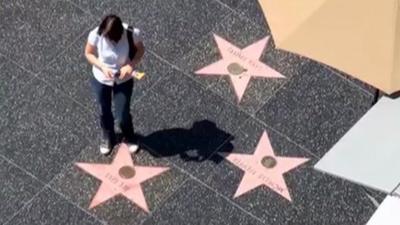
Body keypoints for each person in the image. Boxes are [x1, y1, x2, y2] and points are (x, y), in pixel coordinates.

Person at [84, 14, 145, 155]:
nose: (108, 39)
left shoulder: (131, 33)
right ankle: (108, 136)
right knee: (104, 110)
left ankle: (129, 135)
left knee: (122, 112)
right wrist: (102, 67)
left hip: (123, 79)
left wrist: (130, 65)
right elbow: (88, 53)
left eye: (111, 38)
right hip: (101, 78)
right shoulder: (97, 34)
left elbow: (140, 50)